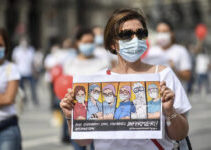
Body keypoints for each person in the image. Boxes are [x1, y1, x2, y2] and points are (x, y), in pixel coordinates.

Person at [60, 8, 191, 150]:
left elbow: (180, 134)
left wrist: (170, 112)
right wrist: (70, 117)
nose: (135, 39)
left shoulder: (164, 75)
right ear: (112, 44)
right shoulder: (98, 82)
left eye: (141, 33)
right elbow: (84, 141)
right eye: (126, 35)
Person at [63, 27, 110, 150]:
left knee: (97, 146)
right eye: (85, 42)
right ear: (78, 43)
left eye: (91, 42)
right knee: (79, 146)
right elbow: (64, 86)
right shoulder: (69, 63)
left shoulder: (103, 62)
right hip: (77, 112)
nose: (88, 45)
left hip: (97, 112)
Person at [0, 28, 22, 150]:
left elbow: (9, 99)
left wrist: (5, 97)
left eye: (0, 45)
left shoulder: (11, 68)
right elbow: (4, 98)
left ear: (5, 48)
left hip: (6, 126)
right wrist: (0, 95)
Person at [12, 37, 39, 105]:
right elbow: (14, 61)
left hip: (29, 72)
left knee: (33, 87)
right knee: (22, 88)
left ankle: (34, 100)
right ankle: (24, 100)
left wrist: (34, 70)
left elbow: (33, 62)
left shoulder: (31, 50)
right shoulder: (16, 50)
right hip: (20, 72)